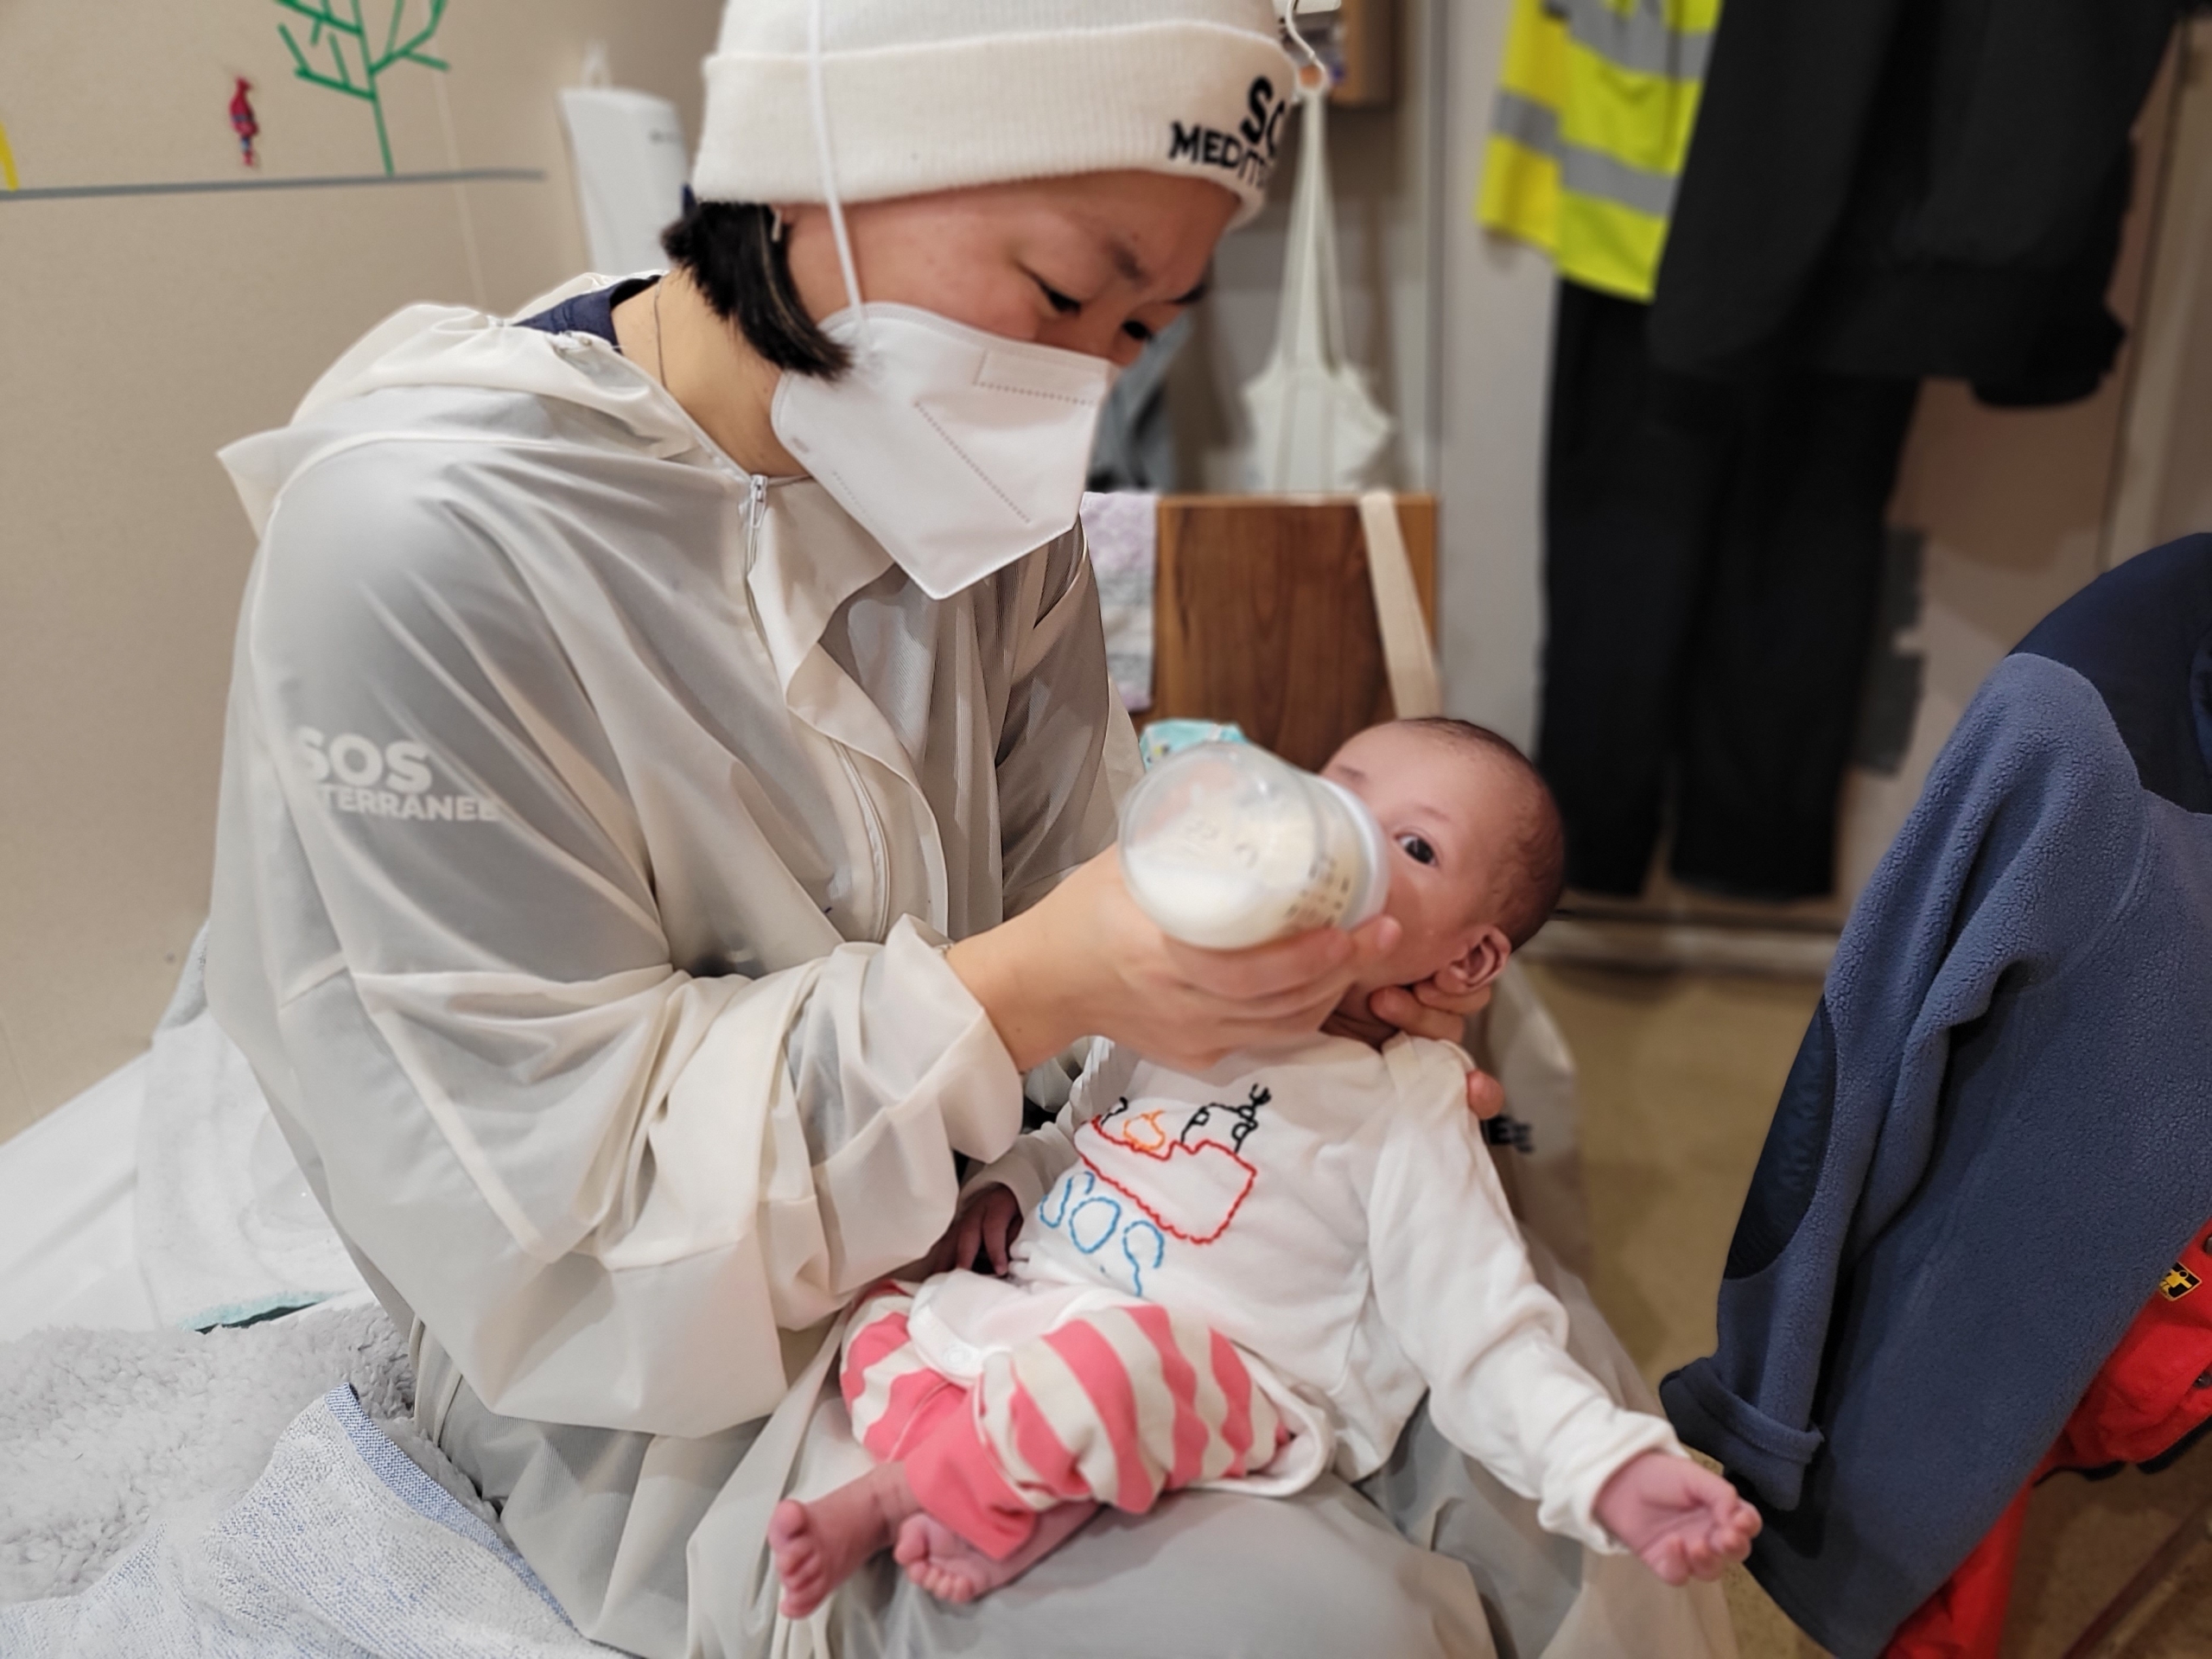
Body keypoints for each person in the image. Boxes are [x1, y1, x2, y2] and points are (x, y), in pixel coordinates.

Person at [205, 2, 1734, 1653]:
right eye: (1067, 291)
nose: (1078, 386)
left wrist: (1293, 1042)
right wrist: (1023, 996)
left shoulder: (985, 508)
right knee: (1318, 1629)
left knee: (1588, 1498)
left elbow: (1083, 875)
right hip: (667, 1349)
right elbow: (562, 1220)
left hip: (1041, 1205)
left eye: (1144, 326)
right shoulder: (430, 548)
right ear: (818, 158)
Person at [769, 721, 1760, 1616]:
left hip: (1215, 1380)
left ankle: (903, 1494)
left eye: (1413, 847)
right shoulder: (1173, 997)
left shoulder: (1401, 1102)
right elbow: (1085, 1132)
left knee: (1110, 1376)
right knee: (888, 1304)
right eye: (1335, 795)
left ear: (1463, 964)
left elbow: (1481, 1324)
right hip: (1053, 1312)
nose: (1350, 845)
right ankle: (1009, 1479)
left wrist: (1607, 1468)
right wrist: (1015, 1182)